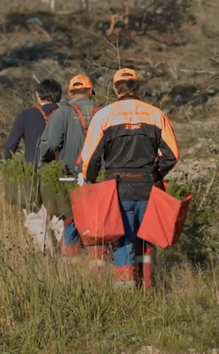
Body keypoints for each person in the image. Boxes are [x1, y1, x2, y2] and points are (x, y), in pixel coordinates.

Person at [80, 68, 180, 290]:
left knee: (122, 239)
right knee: (146, 240)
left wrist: (91, 179)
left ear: (116, 89)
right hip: (147, 188)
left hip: (116, 189)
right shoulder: (155, 114)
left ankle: (125, 292)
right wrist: (155, 174)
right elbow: (173, 155)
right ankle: (147, 288)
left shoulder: (103, 116)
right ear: (137, 87)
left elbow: (89, 159)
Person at [39, 74, 106, 263]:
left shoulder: (62, 113)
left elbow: (50, 143)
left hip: (69, 175)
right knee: (98, 219)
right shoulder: (105, 110)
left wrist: (45, 161)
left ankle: (71, 264)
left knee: (71, 218)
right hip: (101, 175)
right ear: (92, 91)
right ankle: (99, 262)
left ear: (70, 92)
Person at [4, 79, 62, 164]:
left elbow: (11, 144)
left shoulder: (25, 115)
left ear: (38, 95)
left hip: (33, 169)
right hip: (62, 169)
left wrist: (8, 161)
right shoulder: (67, 114)